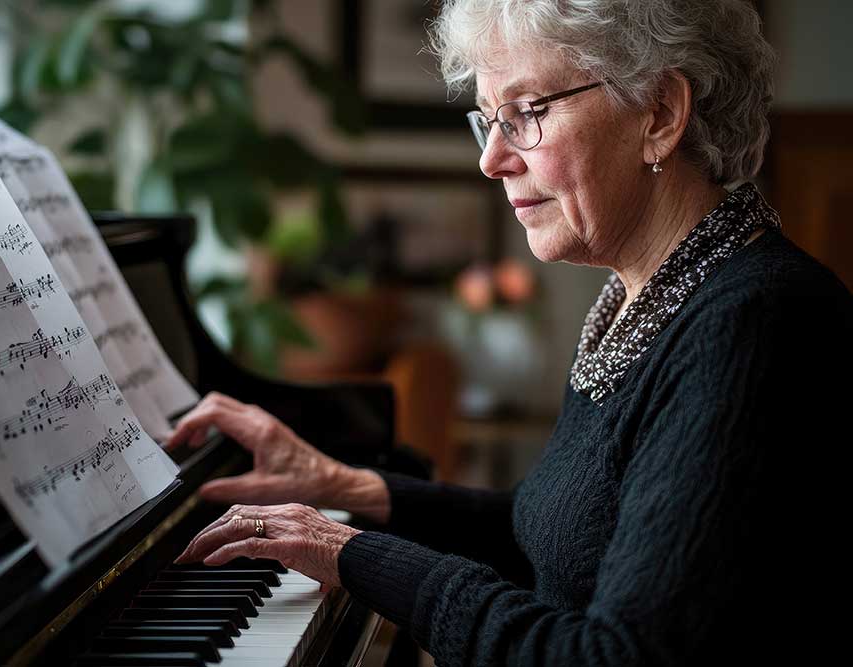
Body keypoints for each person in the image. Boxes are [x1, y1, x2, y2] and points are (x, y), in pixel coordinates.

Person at [169, 1, 853, 664]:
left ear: (660, 114)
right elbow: (555, 536)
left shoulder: (753, 325)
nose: (491, 160)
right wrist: (347, 486)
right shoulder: (644, 297)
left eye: (527, 112)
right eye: (488, 120)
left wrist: (353, 552)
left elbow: (613, 651)